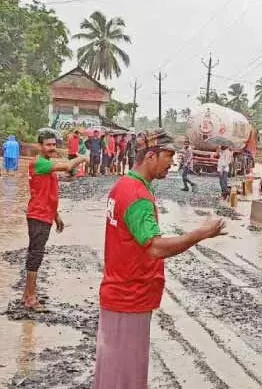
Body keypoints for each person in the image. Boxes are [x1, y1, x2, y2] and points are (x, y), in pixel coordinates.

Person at [93, 129, 226, 388]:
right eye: (168, 156)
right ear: (151, 156)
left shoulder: (123, 185)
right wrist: (199, 233)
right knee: (125, 378)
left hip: (121, 295)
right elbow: (154, 247)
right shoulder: (137, 196)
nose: (171, 163)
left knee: (113, 374)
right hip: (129, 298)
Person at [24, 128, 89, 310]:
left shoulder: (45, 164)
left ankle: (27, 294)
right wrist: (82, 158)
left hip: (44, 214)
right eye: (48, 145)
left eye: (54, 144)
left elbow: (47, 194)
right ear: (40, 146)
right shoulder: (40, 163)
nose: (52, 147)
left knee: (35, 254)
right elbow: (68, 166)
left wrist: (57, 216)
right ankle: (30, 298)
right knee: (35, 256)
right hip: (38, 215)